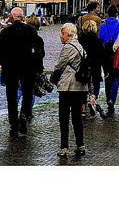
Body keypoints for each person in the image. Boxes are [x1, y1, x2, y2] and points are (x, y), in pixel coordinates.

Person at [0, 6, 45, 140]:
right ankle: (23, 115)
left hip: (11, 69)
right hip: (27, 68)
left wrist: (5, 64)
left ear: (12, 17)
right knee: (27, 94)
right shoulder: (31, 31)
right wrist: (38, 68)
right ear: (22, 17)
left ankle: (13, 125)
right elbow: (38, 52)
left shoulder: (6, 32)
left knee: (11, 97)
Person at [50, 22, 88, 158]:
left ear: (70, 35)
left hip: (68, 86)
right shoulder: (80, 47)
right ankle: (80, 145)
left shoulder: (68, 48)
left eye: (63, 34)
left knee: (64, 117)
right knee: (77, 117)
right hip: (80, 87)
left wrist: (52, 79)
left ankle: (64, 147)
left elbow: (59, 66)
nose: (61, 36)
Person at [76, 17, 107, 118]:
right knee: (96, 86)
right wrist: (106, 70)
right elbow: (103, 57)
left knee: (83, 87)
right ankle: (93, 98)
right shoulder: (98, 42)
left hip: (83, 67)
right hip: (95, 67)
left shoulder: (80, 40)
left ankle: (83, 108)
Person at [98, 6, 119, 117]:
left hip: (104, 54)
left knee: (107, 76)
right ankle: (112, 99)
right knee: (116, 77)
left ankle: (108, 98)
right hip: (116, 54)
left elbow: (100, 39)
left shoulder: (103, 25)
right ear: (117, 14)